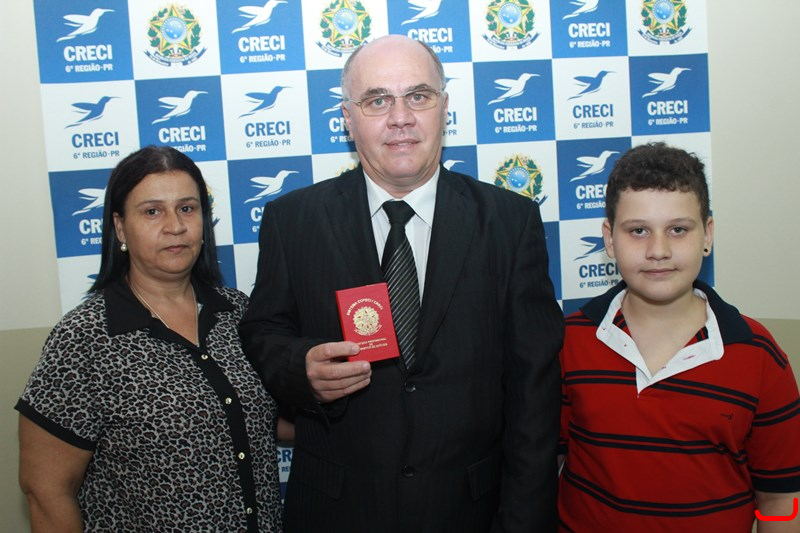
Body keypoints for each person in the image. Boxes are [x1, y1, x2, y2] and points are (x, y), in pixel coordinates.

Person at [239, 35, 563, 532]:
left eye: (418, 96)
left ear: (444, 107)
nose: (400, 118)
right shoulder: (293, 220)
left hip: (471, 515)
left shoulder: (509, 222)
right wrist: (301, 369)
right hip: (336, 513)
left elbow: (534, 395)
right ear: (347, 118)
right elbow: (263, 332)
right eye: (377, 100)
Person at [16, 146, 286, 532]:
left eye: (187, 208)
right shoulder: (85, 338)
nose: (175, 226)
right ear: (120, 227)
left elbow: (268, 420)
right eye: (152, 211)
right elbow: (46, 490)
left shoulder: (237, 312)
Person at [557, 142, 800, 531]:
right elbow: (543, 464)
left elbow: (779, 499)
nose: (658, 250)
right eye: (638, 231)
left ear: (707, 234)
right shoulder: (568, 342)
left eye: (678, 230)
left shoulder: (757, 354)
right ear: (609, 239)